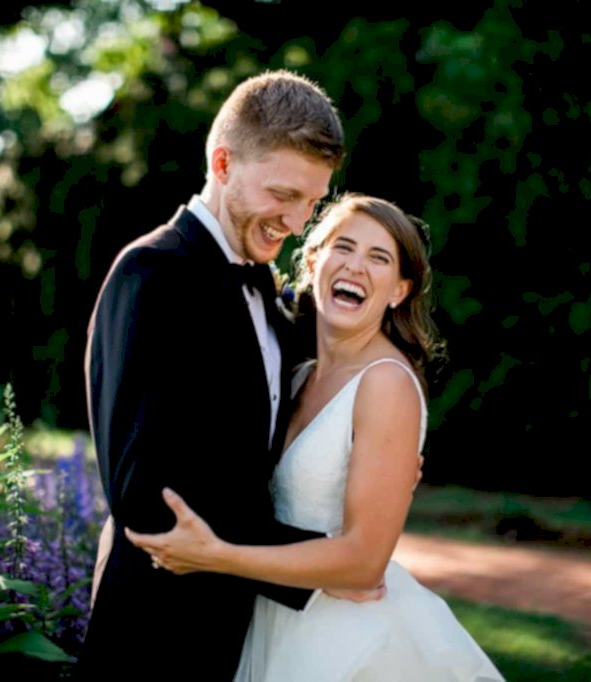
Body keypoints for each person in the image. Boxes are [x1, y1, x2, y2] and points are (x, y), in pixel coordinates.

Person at [127, 193, 506, 681]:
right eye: (343, 248)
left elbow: (364, 564)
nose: (356, 267)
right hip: (272, 618)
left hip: (347, 638)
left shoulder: (386, 384)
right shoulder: (296, 376)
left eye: (379, 258)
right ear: (312, 261)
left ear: (399, 290)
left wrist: (219, 557)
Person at [79, 70, 375, 678]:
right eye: (284, 195)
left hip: (234, 637)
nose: (297, 222)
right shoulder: (150, 275)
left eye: (312, 203)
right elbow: (144, 500)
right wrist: (327, 563)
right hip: (153, 641)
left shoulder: (268, 292)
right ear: (221, 163)